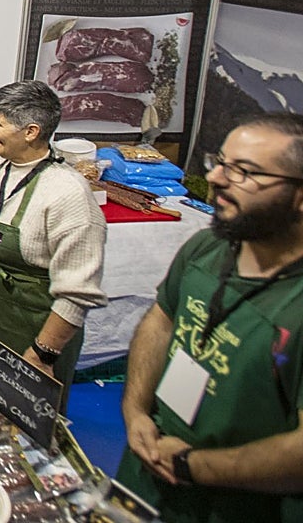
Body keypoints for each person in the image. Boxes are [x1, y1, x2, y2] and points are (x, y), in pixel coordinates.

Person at [116, 113, 303, 522]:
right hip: (146, 473)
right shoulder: (208, 245)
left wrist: (191, 465)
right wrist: (136, 413)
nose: (216, 178)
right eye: (219, 162)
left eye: (244, 172)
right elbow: (161, 321)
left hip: (239, 506)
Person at [0, 80, 106, 401]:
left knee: (15, 431)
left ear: (31, 131)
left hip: (25, 333)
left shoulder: (68, 194)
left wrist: (41, 355)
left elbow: (76, 295)